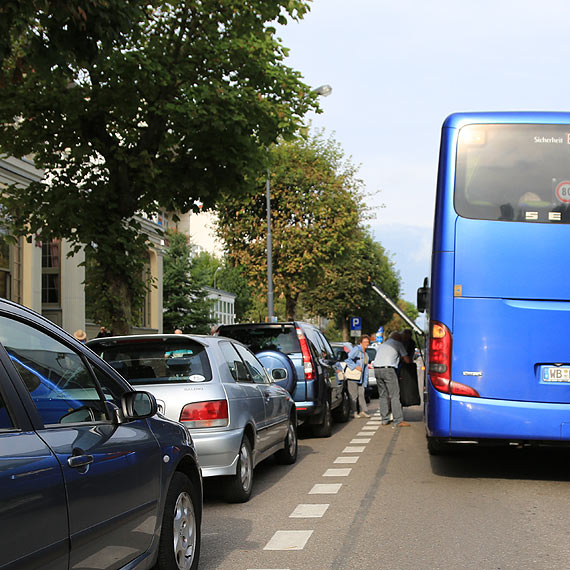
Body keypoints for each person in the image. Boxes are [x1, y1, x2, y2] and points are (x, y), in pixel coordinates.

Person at [373, 331, 411, 427]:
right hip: (388, 370)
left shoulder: (383, 345)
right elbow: (407, 360)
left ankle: (384, 419)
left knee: (382, 395)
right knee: (394, 395)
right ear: (398, 338)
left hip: (377, 370)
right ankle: (398, 420)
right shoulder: (397, 344)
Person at [345, 335, 371, 419]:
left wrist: (366, 381)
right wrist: (355, 367)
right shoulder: (357, 350)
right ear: (361, 343)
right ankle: (354, 412)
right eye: (365, 342)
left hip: (361, 378)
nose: (367, 344)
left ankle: (362, 411)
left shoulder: (366, 354)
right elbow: (348, 359)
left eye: (368, 342)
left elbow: (366, 368)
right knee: (354, 395)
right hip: (353, 376)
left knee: (361, 394)